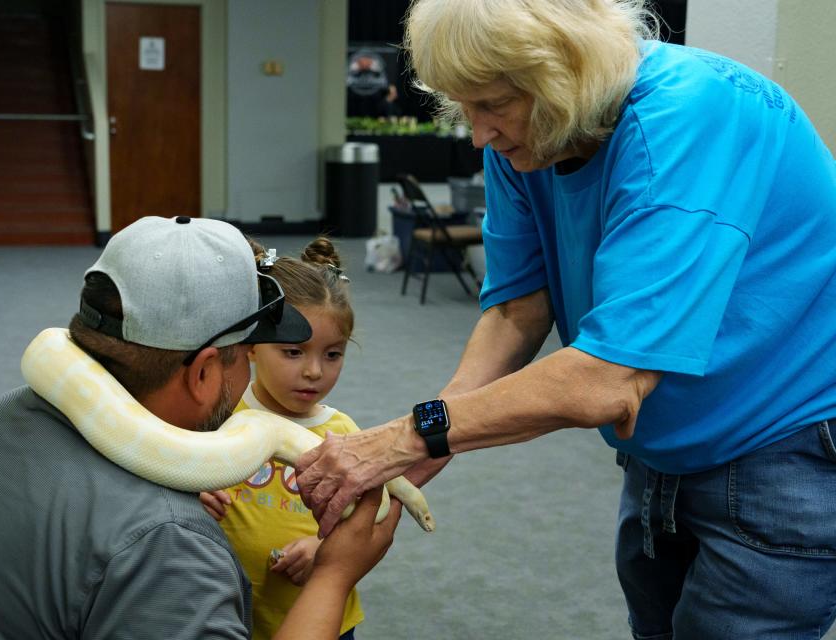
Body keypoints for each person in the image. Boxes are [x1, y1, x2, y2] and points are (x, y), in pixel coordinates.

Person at [295, 1, 836, 638]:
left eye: (492, 104)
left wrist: (401, 439)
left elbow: (606, 379)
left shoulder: (690, 114)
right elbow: (519, 309)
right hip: (660, 451)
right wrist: (418, 453)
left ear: (566, 78)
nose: (477, 135)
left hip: (782, 443)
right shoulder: (534, 137)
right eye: (466, 107)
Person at [0, 216, 400, 639]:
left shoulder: (0, 419)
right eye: (244, 355)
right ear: (202, 373)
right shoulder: (166, 540)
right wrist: (335, 576)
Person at [199, 237, 364, 640]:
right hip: (226, 610)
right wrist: (192, 494)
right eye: (293, 352)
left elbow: (366, 519)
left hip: (322, 616)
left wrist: (323, 548)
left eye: (332, 354)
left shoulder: (344, 435)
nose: (314, 372)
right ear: (251, 348)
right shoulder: (218, 417)